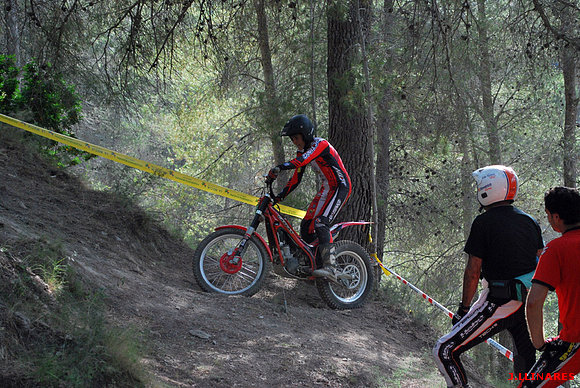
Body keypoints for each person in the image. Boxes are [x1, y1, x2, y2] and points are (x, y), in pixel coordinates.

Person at [433, 165, 544, 388]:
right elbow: (541, 263)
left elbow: (473, 272)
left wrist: (464, 309)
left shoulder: (483, 222)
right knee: (527, 363)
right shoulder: (530, 221)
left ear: (488, 189)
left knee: (444, 351)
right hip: (526, 303)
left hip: (498, 303)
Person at [266, 114, 351, 282]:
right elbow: (296, 179)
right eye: (292, 139)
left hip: (340, 187)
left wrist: (279, 167)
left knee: (321, 222)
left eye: (296, 138)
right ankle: (316, 264)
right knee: (306, 226)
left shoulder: (320, 144)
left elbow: (301, 162)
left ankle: (331, 267)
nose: (295, 142)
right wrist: (279, 197)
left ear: (305, 134)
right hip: (327, 188)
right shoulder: (303, 150)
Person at [517, 186, 580, 388]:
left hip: (574, 341)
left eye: (548, 216)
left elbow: (534, 302)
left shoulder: (556, 249)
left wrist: (540, 344)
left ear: (556, 217)